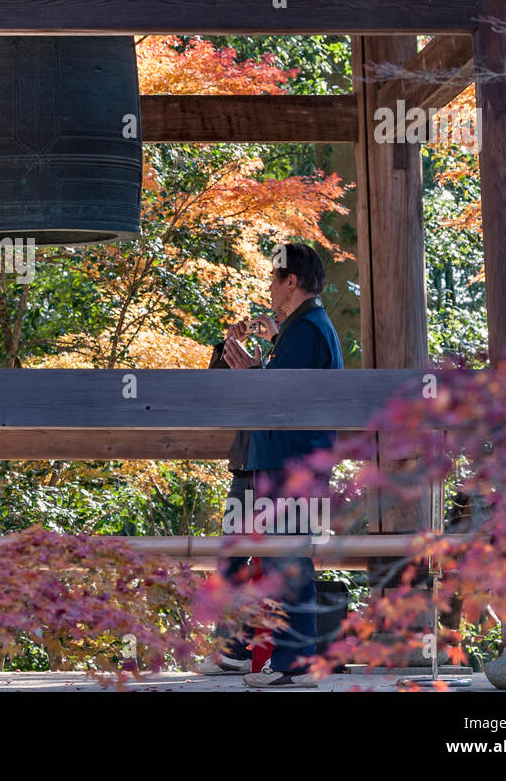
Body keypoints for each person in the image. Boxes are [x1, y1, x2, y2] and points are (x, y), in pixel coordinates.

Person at [199, 242, 343, 688]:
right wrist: (254, 360)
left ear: (291, 282)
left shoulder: (308, 329)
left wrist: (254, 371)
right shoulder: (302, 328)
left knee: (287, 559)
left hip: (290, 462)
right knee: (272, 557)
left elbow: (283, 398)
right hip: (282, 459)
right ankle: (262, 654)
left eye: (273, 279)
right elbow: (281, 388)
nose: (269, 288)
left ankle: (293, 660)